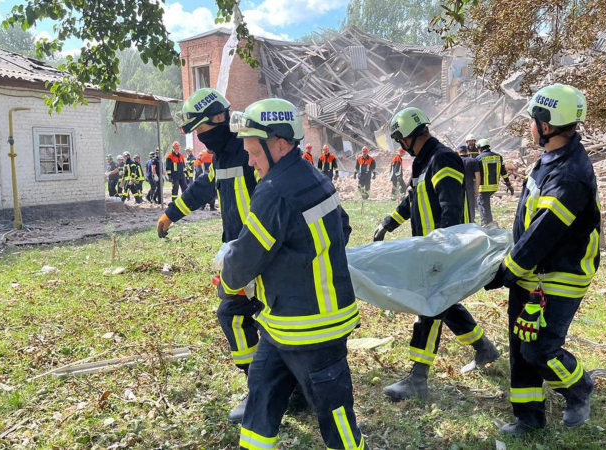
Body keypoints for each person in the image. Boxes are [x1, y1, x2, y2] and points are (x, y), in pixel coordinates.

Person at [222, 98, 365, 450]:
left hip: (311, 330)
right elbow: (342, 230)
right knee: (262, 392)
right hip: (283, 323)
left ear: (280, 145)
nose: (251, 162)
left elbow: (244, 260)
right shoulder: (314, 175)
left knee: (335, 417)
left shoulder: (272, 192)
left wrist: (226, 281)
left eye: (255, 153)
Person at [485, 84, 599, 435]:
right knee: (521, 345)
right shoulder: (552, 158)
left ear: (546, 125)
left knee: (540, 349)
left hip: (560, 275)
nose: (530, 126)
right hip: (533, 273)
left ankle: (579, 387)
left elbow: (543, 233)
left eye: (533, 120)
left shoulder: (569, 175)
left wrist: (506, 271)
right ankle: (528, 419)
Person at [372, 107, 499, 402]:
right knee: (445, 303)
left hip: (442, 249)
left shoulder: (442, 158)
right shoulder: (423, 162)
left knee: (429, 307)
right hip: (431, 248)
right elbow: (411, 201)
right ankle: (484, 348)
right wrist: (388, 223)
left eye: (399, 140)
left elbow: (451, 206)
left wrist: (443, 250)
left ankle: (417, 378)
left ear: (407, 136)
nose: (400, 147)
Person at [156, 88, 259, 422]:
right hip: (242, 253)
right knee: (242, 315)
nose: (200, 139)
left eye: (201, 131)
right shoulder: (223, 156)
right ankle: (277, 387)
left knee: (237, 314)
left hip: (261, 252)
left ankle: (264, 391)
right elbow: (203, 187)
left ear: (218, 119)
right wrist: (171, 213)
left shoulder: (250, 150)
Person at [475, 138, 513, 226]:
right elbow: (503, 172)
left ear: (480, 148)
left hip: (483, 187)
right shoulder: (498, 157)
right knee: (486, 204)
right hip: (494, 186)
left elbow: (477, 174)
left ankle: (485, 224)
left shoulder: (478, 158)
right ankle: (490, 222)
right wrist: (508, 184)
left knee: (481, 204)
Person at [457, 144, 478, 223]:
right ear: (467, 151)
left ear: (458, 152)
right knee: (471, 205)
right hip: (470, 187)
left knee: (459, 204)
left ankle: (461, 222)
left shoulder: (455, 160)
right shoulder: (472, 160)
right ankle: (471, 221)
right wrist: (477, 188)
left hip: (458, 187)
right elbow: (477, 175)